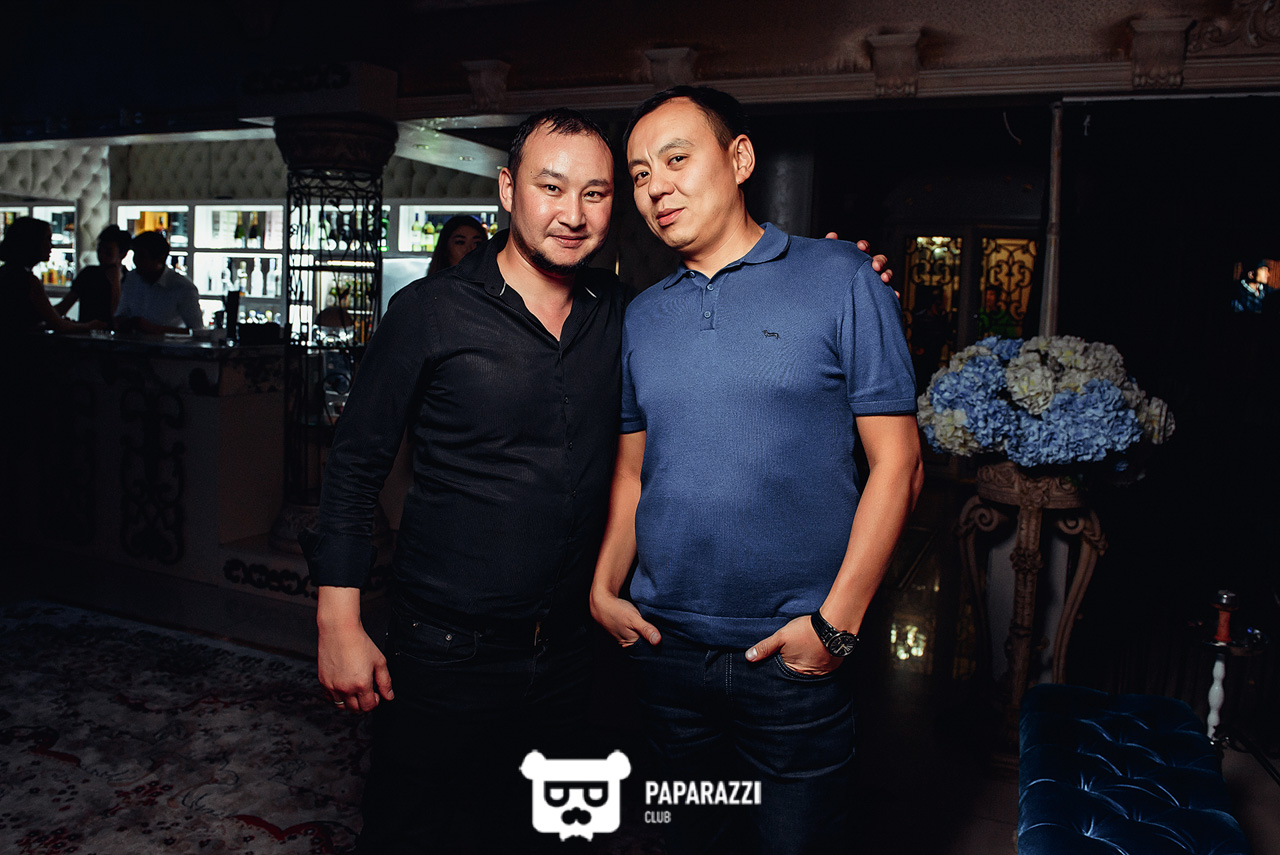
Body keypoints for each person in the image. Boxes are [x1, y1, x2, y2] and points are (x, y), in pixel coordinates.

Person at [590, 86, 924, 855]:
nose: (656, 186)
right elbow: (633, 473)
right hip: (666, 655)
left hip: (792, 659)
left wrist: (835, 626)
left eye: (676, 158)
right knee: (680, 841)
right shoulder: (643, 315)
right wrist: (604, 588)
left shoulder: (842, 276)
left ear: (739, 158)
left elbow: (899, 462)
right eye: (639, 174)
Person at [0, 216, 107, 338]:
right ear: (33, 242)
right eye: (47, 239)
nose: (51, 246)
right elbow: (59, 325)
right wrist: (89, 326)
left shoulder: (6, 273)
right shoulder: (28, 281)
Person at [115, 230, 203, 333]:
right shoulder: (132, 278)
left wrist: (155, 329)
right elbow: (120, 314)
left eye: (141, 256)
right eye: (135, 254)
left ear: (160, 259)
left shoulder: (183, 288)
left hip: (168, 344)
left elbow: (197, 331)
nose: (136, 260)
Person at [54, 224, 131, 324]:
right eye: (99, 250)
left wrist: (115, 283)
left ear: (123, 253)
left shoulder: (130, 279)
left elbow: (118, 318)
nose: (102, 256)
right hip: (85, 331)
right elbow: (63, 306)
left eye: (108, 252)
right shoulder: (88, 274)